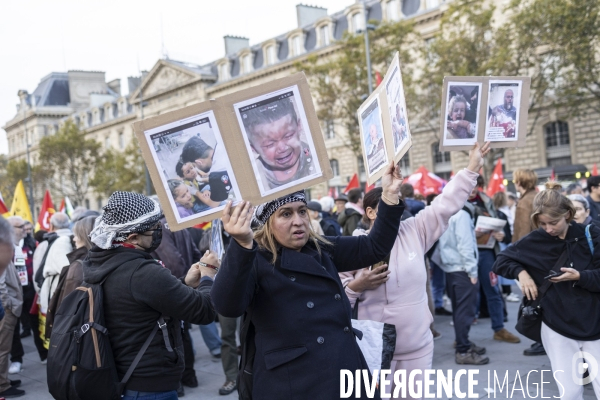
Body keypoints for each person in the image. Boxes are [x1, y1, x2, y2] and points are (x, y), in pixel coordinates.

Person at [211, 161, 405, 400]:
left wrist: (389, 194)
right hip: (293, 385)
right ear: (267, 223)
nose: (298, 221)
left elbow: (373, 247)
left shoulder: (322, 249)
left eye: (302, 211)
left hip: (345, 375)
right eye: (285, 213)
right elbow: (227, 306)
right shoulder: (254, 258)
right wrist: (241, 245)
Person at [340, 143, 490, 394]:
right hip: (372, 348)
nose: (394, 212)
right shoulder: (353, 246)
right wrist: (358, 285)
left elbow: (446, 205)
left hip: (417, 347)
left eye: (397, 205)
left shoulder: (415, 230)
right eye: (386, 206)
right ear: (369, 212)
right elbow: (337, 296)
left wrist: (472, 167)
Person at [84, 191, 218, 399]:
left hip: (123, 376)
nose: (160, 231)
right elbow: (205, 311)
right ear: (133, 237)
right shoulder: (142, 272)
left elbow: (141, 301)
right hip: (149, 384)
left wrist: (184, 283)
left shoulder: (101, 262)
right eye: (154, 228)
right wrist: (208, 276)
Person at [493, 183, 600, 399]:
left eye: (554, 222)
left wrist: (580, 276)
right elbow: (502, 260)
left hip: (594, 322)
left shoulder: (591, 234)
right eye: (542, 223)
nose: (549, 228)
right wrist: (521, 273)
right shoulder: (536, 239)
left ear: (568, 215)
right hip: (556, 324)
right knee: (569, 391)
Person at [436, 200, 489, 365]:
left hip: (452, 268)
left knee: (459, 310)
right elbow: (465, 244)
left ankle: (462, 342)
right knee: (464, 311)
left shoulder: (449, 210)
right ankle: (463, 350)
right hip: (461, 269)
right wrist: (472, 271)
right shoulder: (462, 213)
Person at [467, 178, 520, 344]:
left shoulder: (486, 201)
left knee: (493, 291)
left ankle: (499, 328)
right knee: (466, 295)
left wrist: (501, 235)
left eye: (477, 185)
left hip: (487, 253)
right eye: (471, 184)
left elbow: (501, 227)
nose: (474, 188)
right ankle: (463, 336)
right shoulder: (455, 203)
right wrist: (470, 234)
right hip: (466, 254)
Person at [241, 97, 316, 191]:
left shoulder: (316, 161)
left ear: (299, 126)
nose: (282, 148)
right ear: (253, 148)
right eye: (270, 144)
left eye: (288, 136)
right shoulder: (252, 180)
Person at [38, 212, 73, 351]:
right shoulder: (65, 239)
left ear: (51, 225)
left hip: (59, 293)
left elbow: (66, 268)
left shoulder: (61, 241)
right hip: (57, 289)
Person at [48, 216, 96, 315]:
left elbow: (67, 312)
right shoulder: (106, 259)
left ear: (85, 237)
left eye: (76, 235)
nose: (73, 239)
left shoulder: (78, 267)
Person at [0, 217, 25, 398]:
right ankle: (2, 385)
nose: (23, 229)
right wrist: (8, 305)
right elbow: (1, 284)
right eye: (19, 226)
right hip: (7, 308)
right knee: (3, 349)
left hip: (9, 307)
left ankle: (4, 379)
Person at [180, 136, 235, 202]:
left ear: (199, 162)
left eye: (194, 166)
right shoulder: (222, 144)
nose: (195, 169)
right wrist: (202, 179)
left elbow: (215, 201)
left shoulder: (216, 176)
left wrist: (195, 192)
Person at [512, 169, 538, 243]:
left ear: (519, 182)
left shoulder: (524, 202)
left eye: (514, 181)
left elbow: (524, 230)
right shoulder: (539, 196)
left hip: (529, 246)